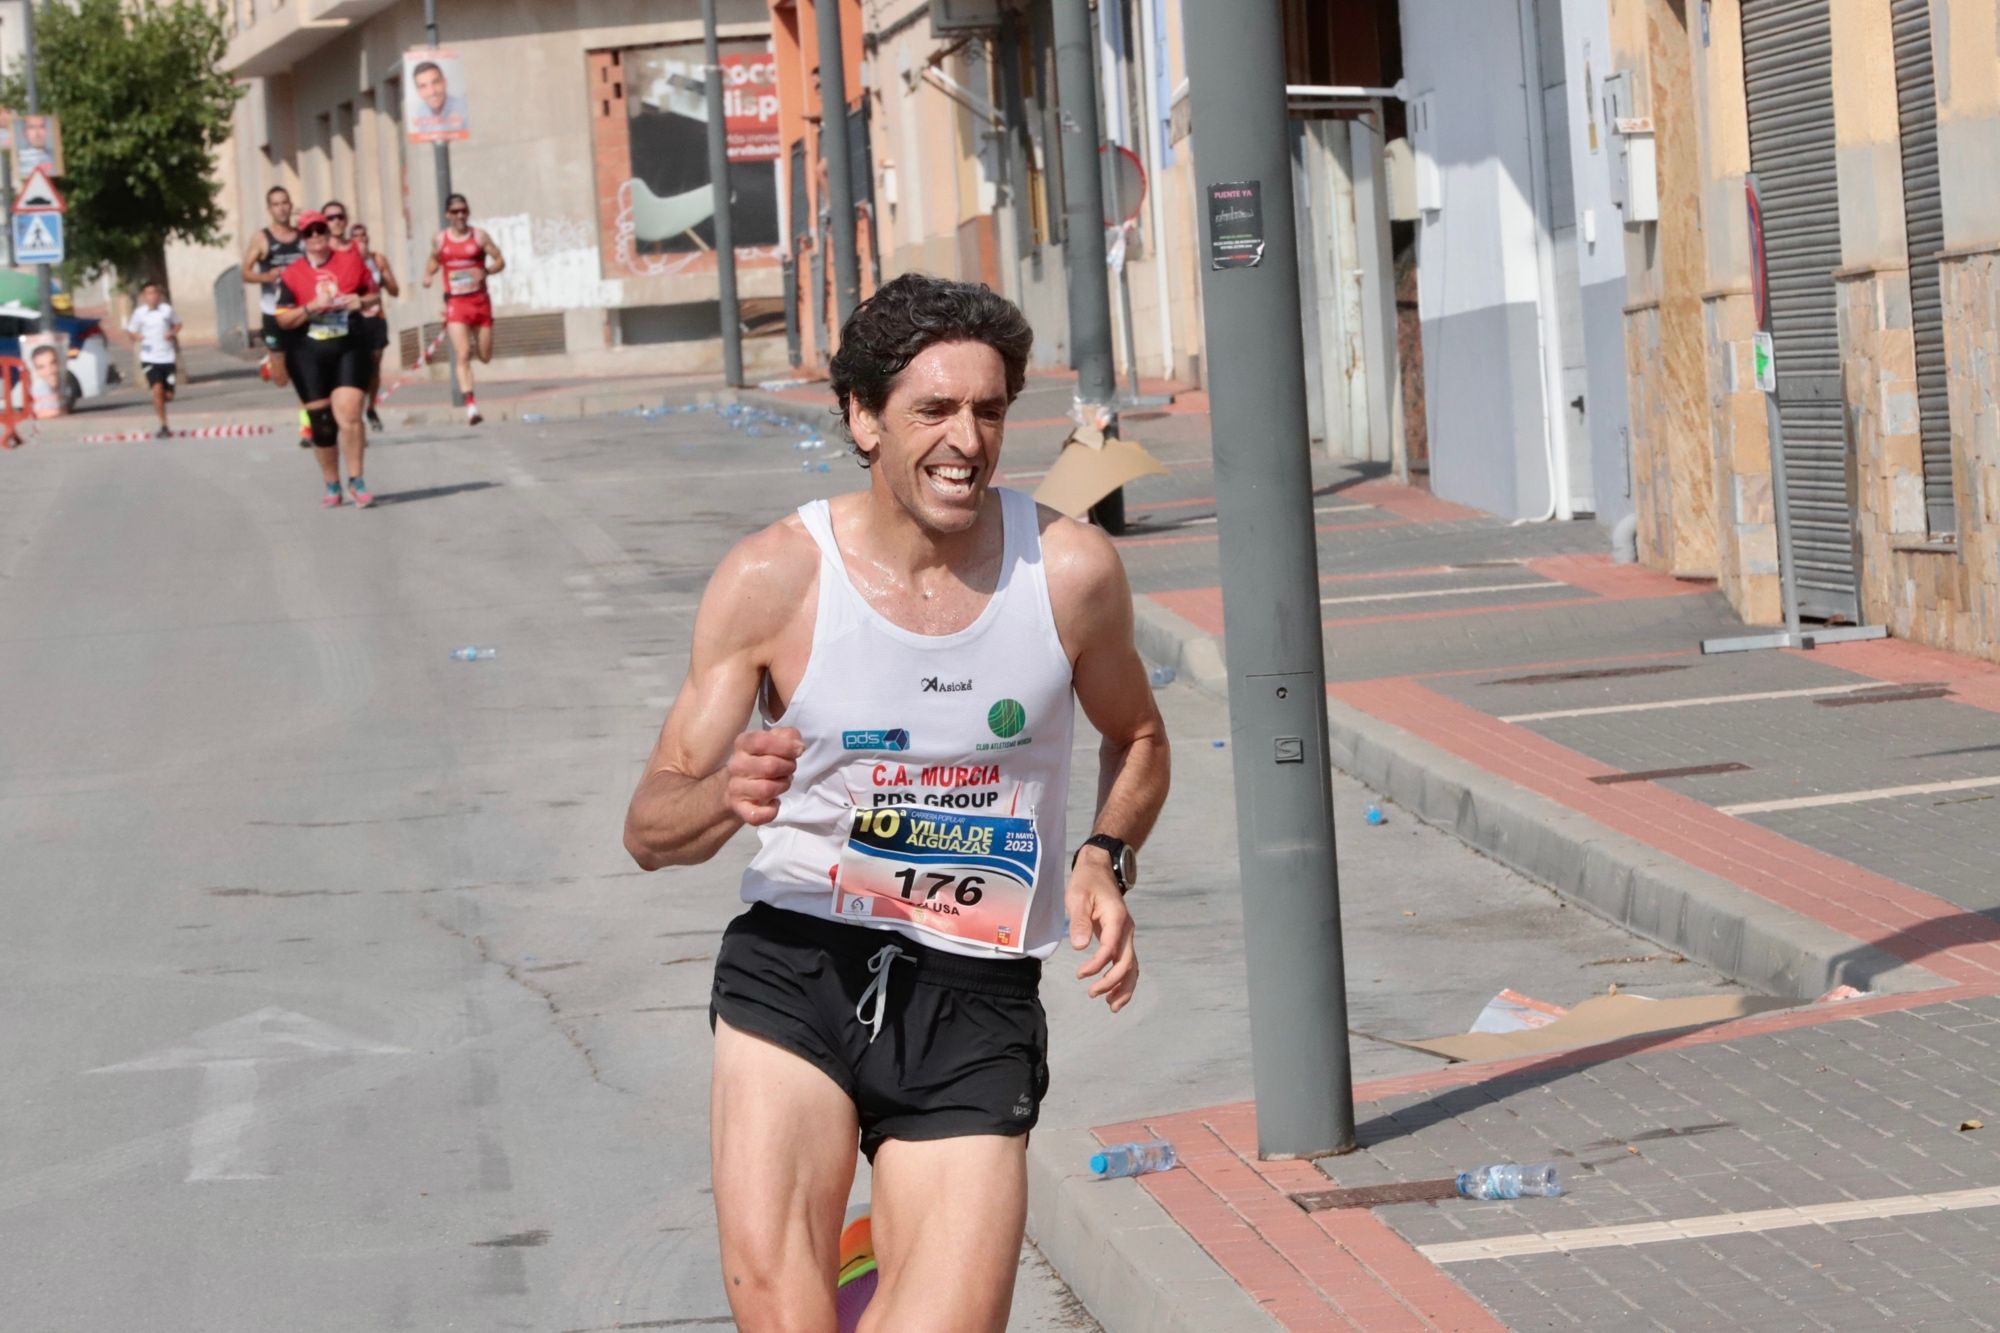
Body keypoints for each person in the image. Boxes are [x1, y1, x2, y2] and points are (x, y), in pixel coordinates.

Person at [622, 273, 1169, 1330]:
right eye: (932, 409)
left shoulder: (1066, 570)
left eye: (989, 410)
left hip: (975, 996)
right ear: (863, 418)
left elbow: (1136, 736)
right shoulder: (774, 577)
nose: (966, 439)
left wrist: (1102, 854)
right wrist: (726, 797)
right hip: (799, 968)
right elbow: (648, 826)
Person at [274, 210, 380, 509]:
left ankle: (357, 481)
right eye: (310, 232)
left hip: (348, 346)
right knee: (322, 424)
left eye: (321, 230)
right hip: (308, 353)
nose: (317, 236)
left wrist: (361, 301)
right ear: (302, 238)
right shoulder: (292, 274)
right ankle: (332, 483)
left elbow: (373, 295)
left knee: (349, 415)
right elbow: (283, 320)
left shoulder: (350, 260)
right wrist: (310, 307)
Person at [422, 193, 505, 426]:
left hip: (479, 303)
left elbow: (500, 260)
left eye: (464, 211)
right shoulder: (440, 240)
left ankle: (480, 358)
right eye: (455, 212)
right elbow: (434, 260)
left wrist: (486, 272)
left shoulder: (479, 237)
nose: (460, 215)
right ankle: (471, 408)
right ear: (448, 215)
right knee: (462, 354)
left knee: (485, 356)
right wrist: (429, 274)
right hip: (456, 304)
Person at [241, 186, 305, 395]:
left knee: (306, 367)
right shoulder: (262, 238)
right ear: (269, 209)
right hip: (273, 312)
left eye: (285, 203)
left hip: (300, 310)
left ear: (291, 205)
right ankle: (271, 363)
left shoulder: (303, 236)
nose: (281, 208)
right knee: (281, 380)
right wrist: (266, 277)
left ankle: (309, 416)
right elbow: (246, 273)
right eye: (276, 204)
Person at [348, 222, 400, 432]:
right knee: (358, 366)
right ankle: (355, 411)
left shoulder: (377, 260)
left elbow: (395, 290)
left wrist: (386, 278)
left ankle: (371, 407)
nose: (361, 239)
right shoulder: (346, 262)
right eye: (356, 236)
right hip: (355, 320)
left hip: (376, 317)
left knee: (374, 367)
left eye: (364, 236)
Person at [125, 280, 183, 439]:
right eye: (148, 293)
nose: (152, 296)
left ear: (159, 295)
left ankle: (163, 401)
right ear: (144, 297)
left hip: (167, 357)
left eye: (154, 293)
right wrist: (136, 336)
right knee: (157, 390)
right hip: (149, 358)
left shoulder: (167, 310)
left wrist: (172, 333)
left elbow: (178, 324)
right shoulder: (139, 313)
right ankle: (164, 425)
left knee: (168, 396)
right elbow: (131, 331)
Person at [410, 60, 470, 138]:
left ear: (444, 83)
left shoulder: (463, 108)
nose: (432, 92)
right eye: (423, 86)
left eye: (435, 82)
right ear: (418, 92)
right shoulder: (421, 112)